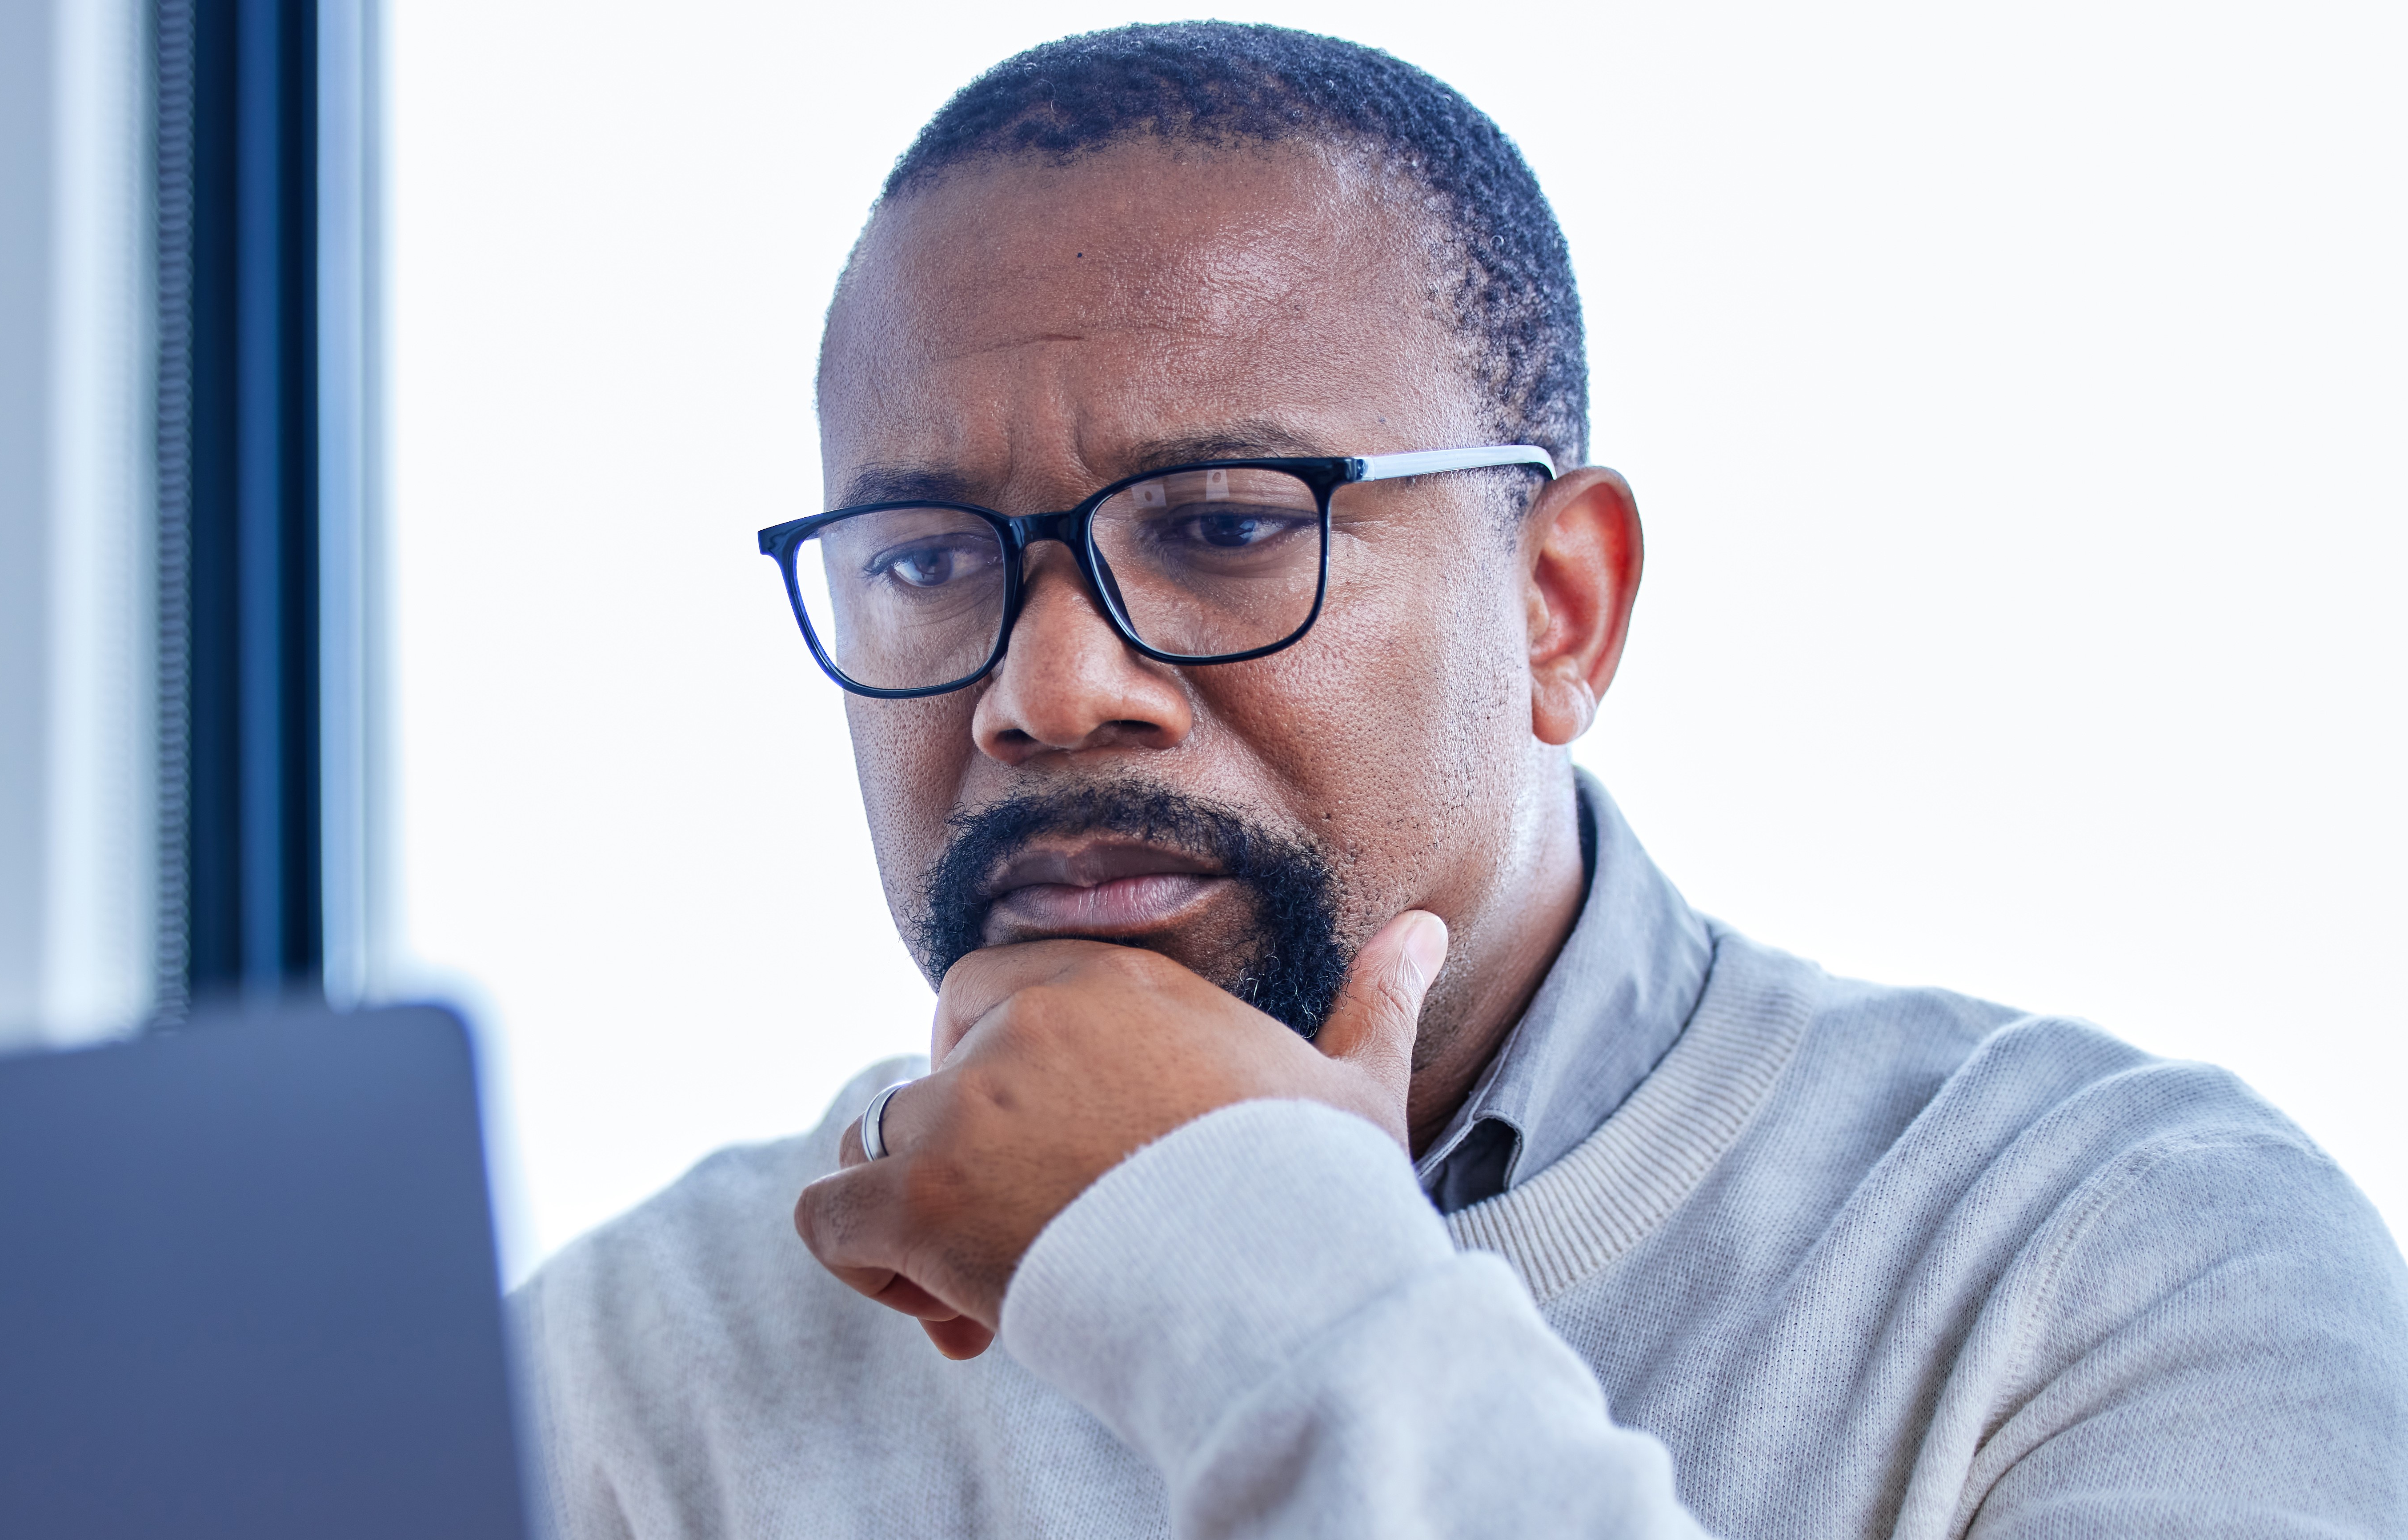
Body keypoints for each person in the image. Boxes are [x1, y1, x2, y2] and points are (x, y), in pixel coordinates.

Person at [512, 22, 2406, 1537]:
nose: (1052, 686)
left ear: (1561, 611)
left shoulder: (2110, 1258)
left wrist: (1235, 1256)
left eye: (1228, 526)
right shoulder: (628, 1382)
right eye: (923, 558)